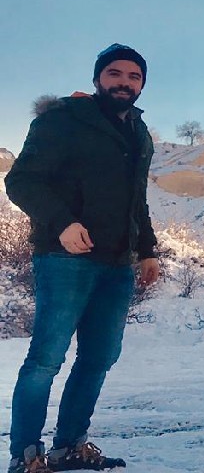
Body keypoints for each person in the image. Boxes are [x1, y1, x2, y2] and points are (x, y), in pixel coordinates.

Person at [5, 44, 161, 473]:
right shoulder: (63, 120)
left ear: (142, 85)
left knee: (98, 358)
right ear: (98, 79)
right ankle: (25, 456)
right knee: (46, 359)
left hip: (117, 263)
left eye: (134, 77)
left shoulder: (139, 132)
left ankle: (68, 446)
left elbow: (137, 200)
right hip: (64, 258)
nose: (124, 82)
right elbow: (21, 181)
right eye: (115, 74)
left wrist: (146, 251)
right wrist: (62, 223)